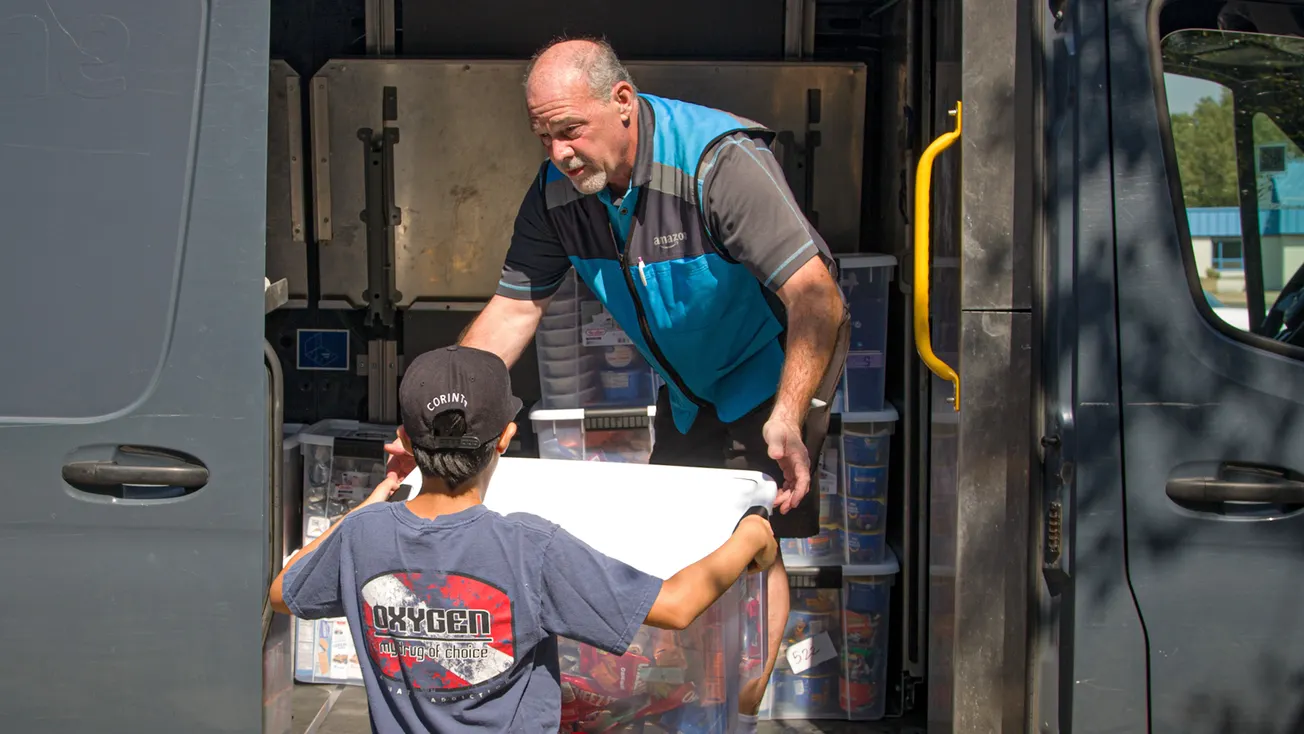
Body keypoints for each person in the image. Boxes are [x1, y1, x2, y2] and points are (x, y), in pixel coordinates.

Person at [271, 345, 779, 733]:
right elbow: (676, 606)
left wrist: (383, 490)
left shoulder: (365, 535)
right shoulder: (527, 547)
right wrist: (752, 532)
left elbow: (284, 591)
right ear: (507, 439)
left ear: (404, 439)